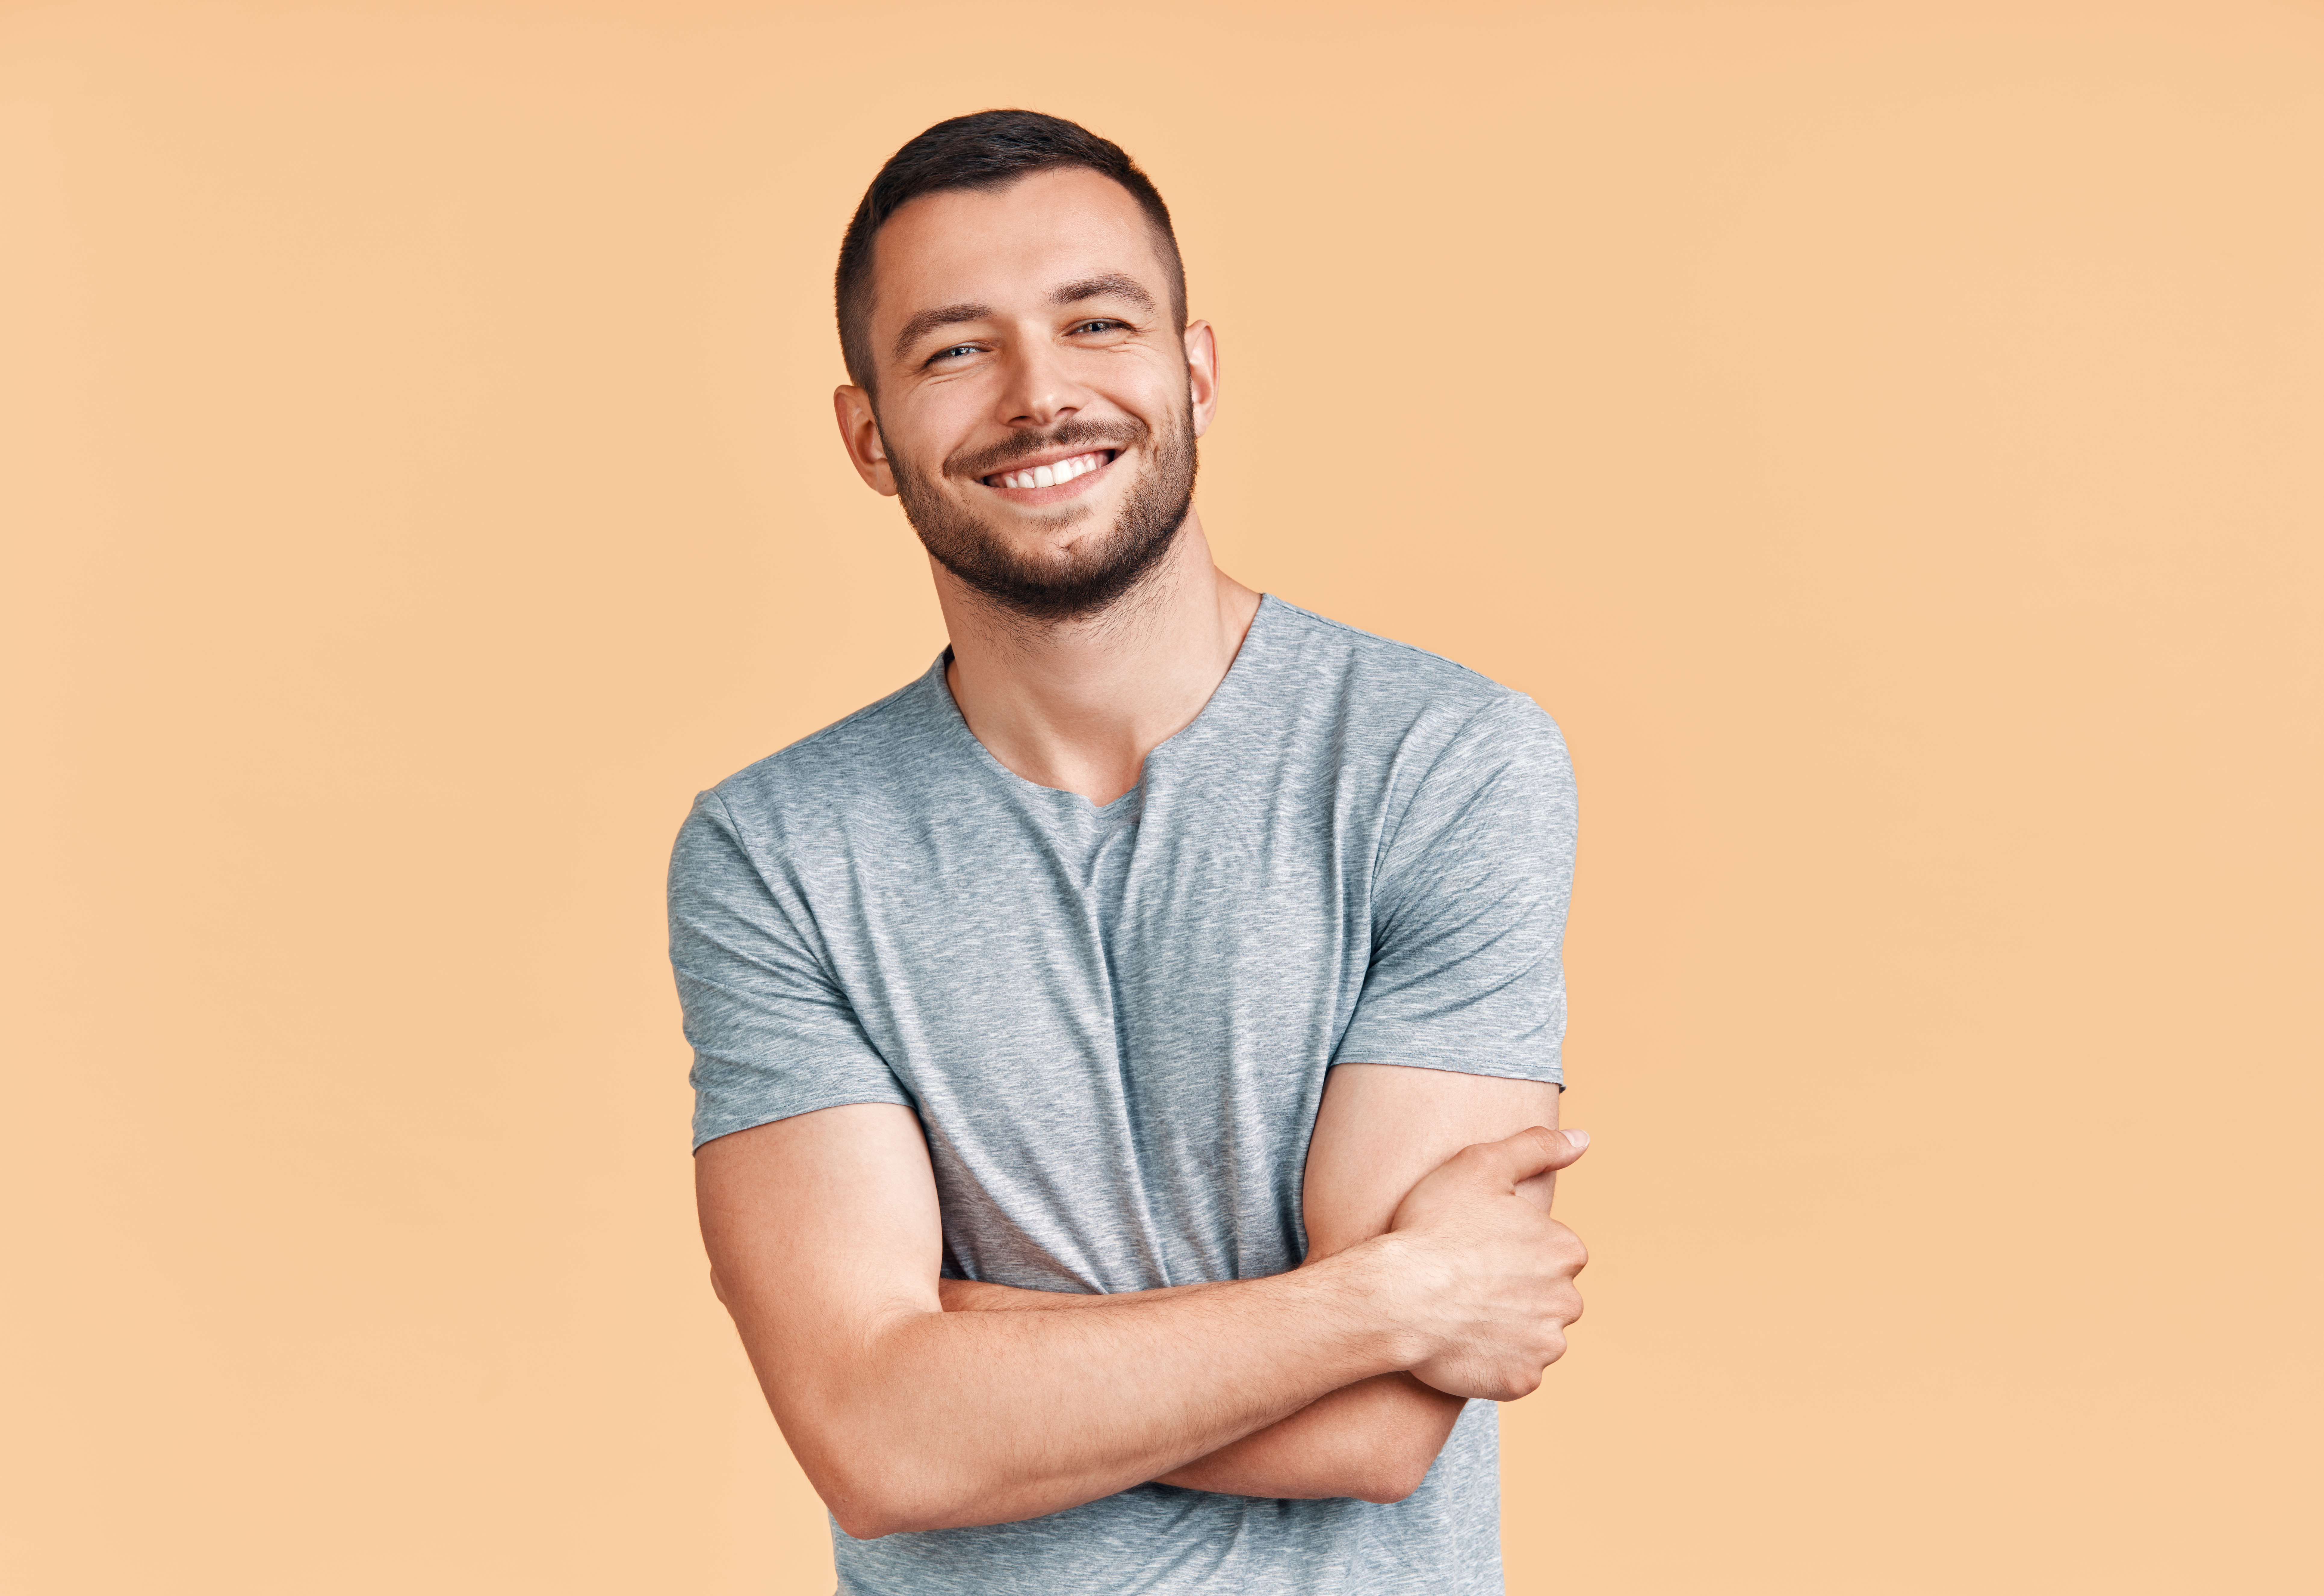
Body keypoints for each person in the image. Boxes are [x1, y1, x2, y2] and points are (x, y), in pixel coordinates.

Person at [671, 109, 1588, 1596]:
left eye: (1098, 323)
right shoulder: (776, 851)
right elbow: (879, 1447)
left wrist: (959, 1352)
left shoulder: (1439, 758)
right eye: (954, 350)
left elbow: (1373, 1430)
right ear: (867, 437)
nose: (1043, 396)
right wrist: (1395, 1294)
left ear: (1194, 372)